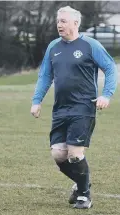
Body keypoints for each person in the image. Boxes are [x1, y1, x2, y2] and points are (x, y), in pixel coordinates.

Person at [30, 6, 117, 209]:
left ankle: (84, 195)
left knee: (75, 154)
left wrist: (106, 95)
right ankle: (81, 183)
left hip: (83, 107)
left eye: (63, 21)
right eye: (58, 21)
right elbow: (45, 75)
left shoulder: (90, 45)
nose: (59, 24)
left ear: (76, 24)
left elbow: (111, 69)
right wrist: (36, 100)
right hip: (61, 109)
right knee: (58, 154)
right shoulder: (53, 46)